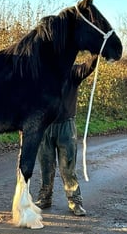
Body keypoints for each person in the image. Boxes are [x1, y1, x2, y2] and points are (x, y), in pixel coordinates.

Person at [35, 54, 98, 216]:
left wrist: (97, 51)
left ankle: (75, 202)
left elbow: (88, 67)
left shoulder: (72, 72)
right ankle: (45, 198)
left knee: (68, 167)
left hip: (66, 127)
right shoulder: (40, 73)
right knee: (46, 166)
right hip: (44, 127)